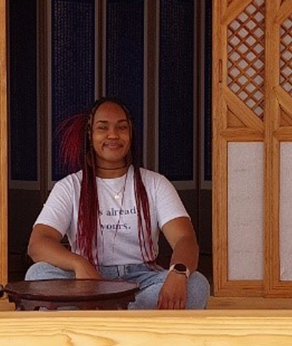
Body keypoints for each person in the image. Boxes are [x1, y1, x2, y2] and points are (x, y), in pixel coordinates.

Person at [25, 96, 210, 310]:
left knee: (196, 284)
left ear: (130, 134)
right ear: (90, 135)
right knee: (37, 275)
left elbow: (185, 239)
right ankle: (129, 320)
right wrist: (79, 264)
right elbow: (38, 243)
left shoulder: (155, 184)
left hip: (142, 281)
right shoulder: (70, 186)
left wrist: (178, 272)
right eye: (103, 128)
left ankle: (100, 316)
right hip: (87, 282)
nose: (113, 135)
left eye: (122, 128)